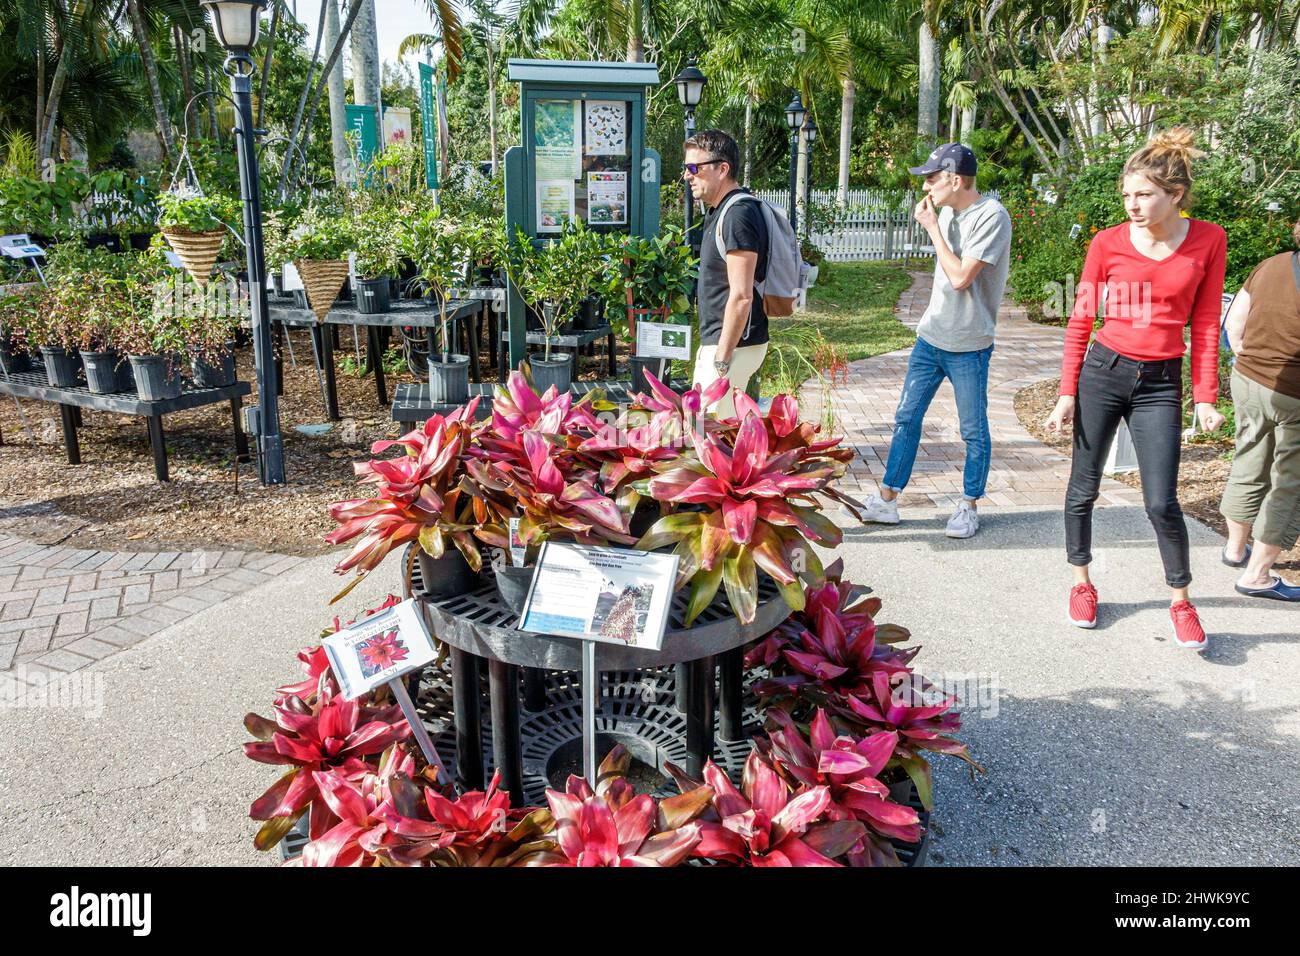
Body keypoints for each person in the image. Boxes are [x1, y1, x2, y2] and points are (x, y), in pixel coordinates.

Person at [1044, 128, 1227, 649]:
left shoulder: (1209, 240)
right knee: (1083, 489)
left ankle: (1181, 600)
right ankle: (1081, 584)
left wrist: (1206, 395)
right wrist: (1067, 389)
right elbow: (1081, 317)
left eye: (1144, 194)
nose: (1133, 205)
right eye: (1127, 195)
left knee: (1162, 502)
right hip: (1105, 371)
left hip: (1161, 382)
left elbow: (1207, 321)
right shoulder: (1107, 243)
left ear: (1175, 195)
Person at [857, 142, 1012, 538]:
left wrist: (932, 230)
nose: (925, 187)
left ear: (956, 179)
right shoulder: (945, 211)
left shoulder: (992, 217)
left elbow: (961, 278)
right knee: (906, 418)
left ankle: (968, 504)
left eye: (931, 178)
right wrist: (936, 224)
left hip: (969, 343)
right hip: (931, 337)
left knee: (972, 429)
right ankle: (888, 500)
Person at [1218, 217, 1300, 601]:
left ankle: (1235, 550)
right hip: (1294, 394)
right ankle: (1258, 575)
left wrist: (1246, 360)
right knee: (1290, 482)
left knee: (1249, 459)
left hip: (1249, 380)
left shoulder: (1272, 264)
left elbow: (1233, 322)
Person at [682, 129, 768, 418]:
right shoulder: (718, 212)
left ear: (722, 169)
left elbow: (742, 296)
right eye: (686, 168)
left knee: (709, 434)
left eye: (694, 168)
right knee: (712, 431)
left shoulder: (737, 215)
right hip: (723, 341)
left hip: (733, 344)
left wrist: (722, 358)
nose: (687, 176)